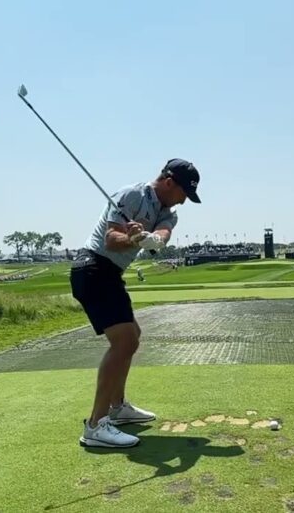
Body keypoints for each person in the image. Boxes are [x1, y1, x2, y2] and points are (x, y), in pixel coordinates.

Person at [70, 158, 201, 448]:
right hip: (92, 268)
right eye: (184, 193)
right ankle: (95, 425)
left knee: (133, 336)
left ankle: (117, 408)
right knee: (125, 341)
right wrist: (132, 240)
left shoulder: (169, 214)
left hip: (109, 274)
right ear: (169, 182)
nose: (183, 201)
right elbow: (111, 240)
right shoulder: (131, 195)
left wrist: (151, 238)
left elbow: (163, 234)